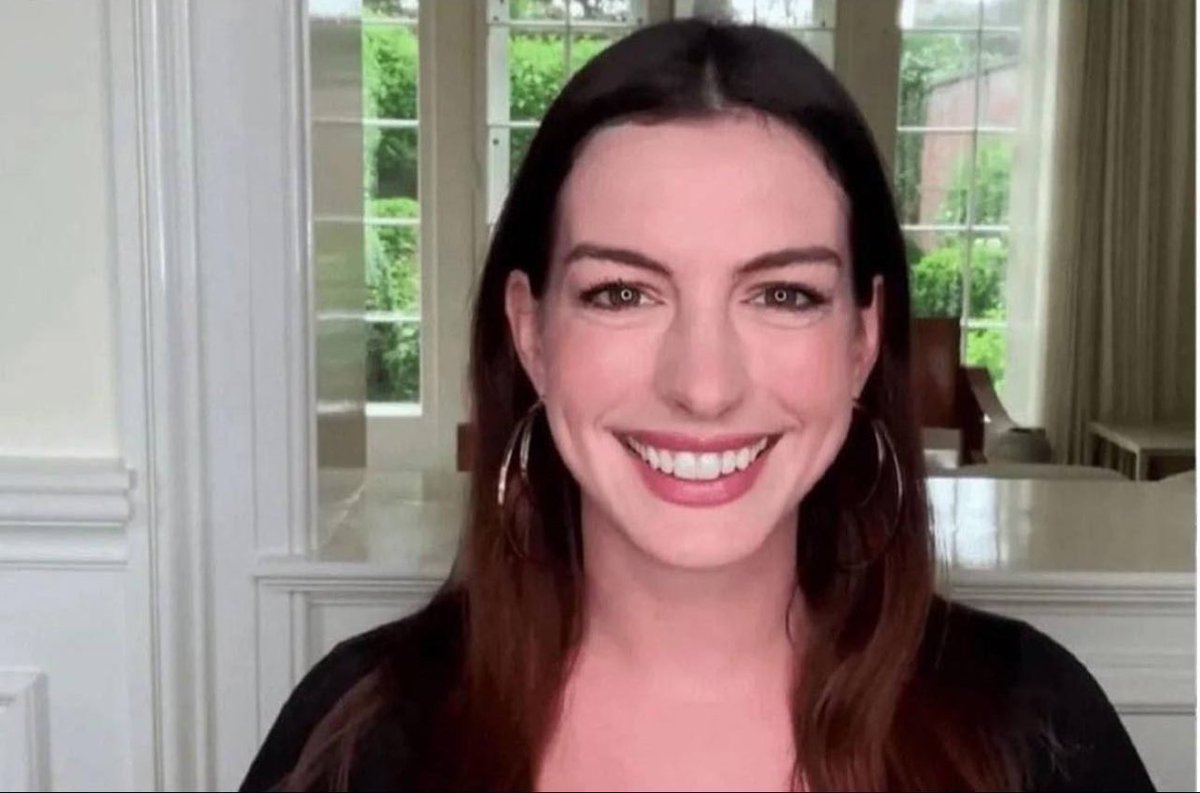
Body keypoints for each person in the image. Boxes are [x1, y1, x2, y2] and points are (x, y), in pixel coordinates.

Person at [241, 18, 1154, 792]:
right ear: (530, 332)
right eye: (622, 293)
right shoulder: (357, 737)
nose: (704, 385)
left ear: (863, 338)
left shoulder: (1032, 729)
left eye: (784, 294)